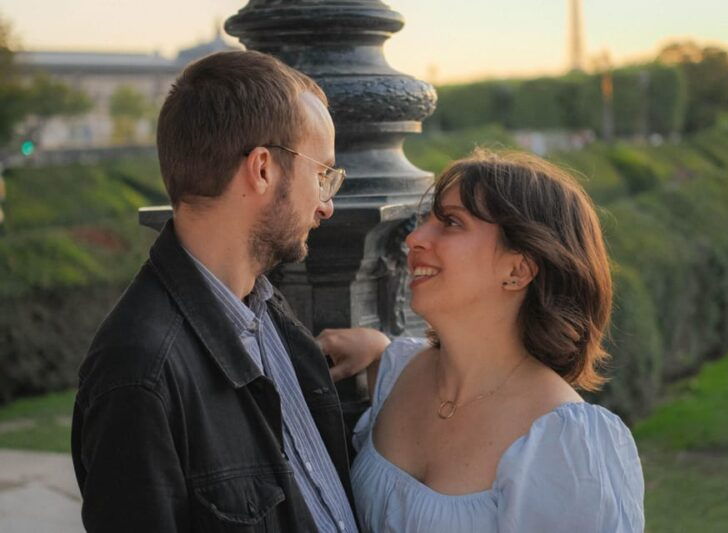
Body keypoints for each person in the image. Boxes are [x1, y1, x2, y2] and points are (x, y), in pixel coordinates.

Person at [71, 51, 360, 532]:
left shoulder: (265, 313)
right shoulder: (140, 372)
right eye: (321, 174)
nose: (327, 205)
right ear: (263, 169)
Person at [320, 149, 645, 532]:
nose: (415, 238)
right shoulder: (396, 373)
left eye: (451, 223)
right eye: (426, 220)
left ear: (517, 269)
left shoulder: (567, 445)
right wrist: (376, 347)